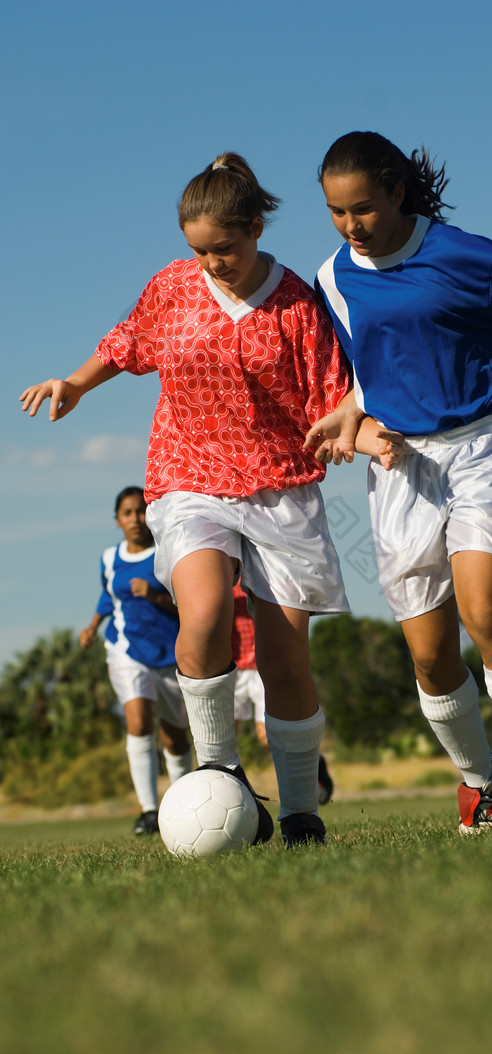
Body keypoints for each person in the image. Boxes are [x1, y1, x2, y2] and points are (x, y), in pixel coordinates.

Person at [20, 152, 393, 847]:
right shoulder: (172, 287)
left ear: (255, 228)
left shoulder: (295, 304)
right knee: (207, 612)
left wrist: (376, 441)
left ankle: (300, 810)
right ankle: (219, 771)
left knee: (284, 661)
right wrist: (74, 382)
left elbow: (327, 402)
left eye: (223, 249)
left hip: (282, 488)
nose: (211, 263)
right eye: (198, 251)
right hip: (188, 479)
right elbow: (129, 343)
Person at [306, 130, 492, 833]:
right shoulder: (331, 278)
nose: (352, 225)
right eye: (337, 212)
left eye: (365, 209)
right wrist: (351, 417)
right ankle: (479, 779)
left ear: (397, 193)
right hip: (401, 467)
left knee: (484, 609)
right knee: (431, 654)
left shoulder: (465, 254)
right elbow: (361, 368)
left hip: (482, 447)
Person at [79, 486, 192, 834]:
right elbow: (107, 595)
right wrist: (93, 626)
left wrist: (157, 597)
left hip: (170, 654)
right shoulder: (110, 558)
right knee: (138, 718)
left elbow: (190, 604)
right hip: (126, 651)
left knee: (175, 737)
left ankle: (182, 806)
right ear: (117, 520)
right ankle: (147, 811)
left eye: (141, 511)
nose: (135, 519)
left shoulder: (167, 553)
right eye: (127, 513)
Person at [231, 582, 335, 803]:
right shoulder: (219, 573)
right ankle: (228, 794)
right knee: (227, 735)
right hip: (233, 665)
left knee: (267, 737)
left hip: (261, 662)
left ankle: (313, 766)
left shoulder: (256, 575)